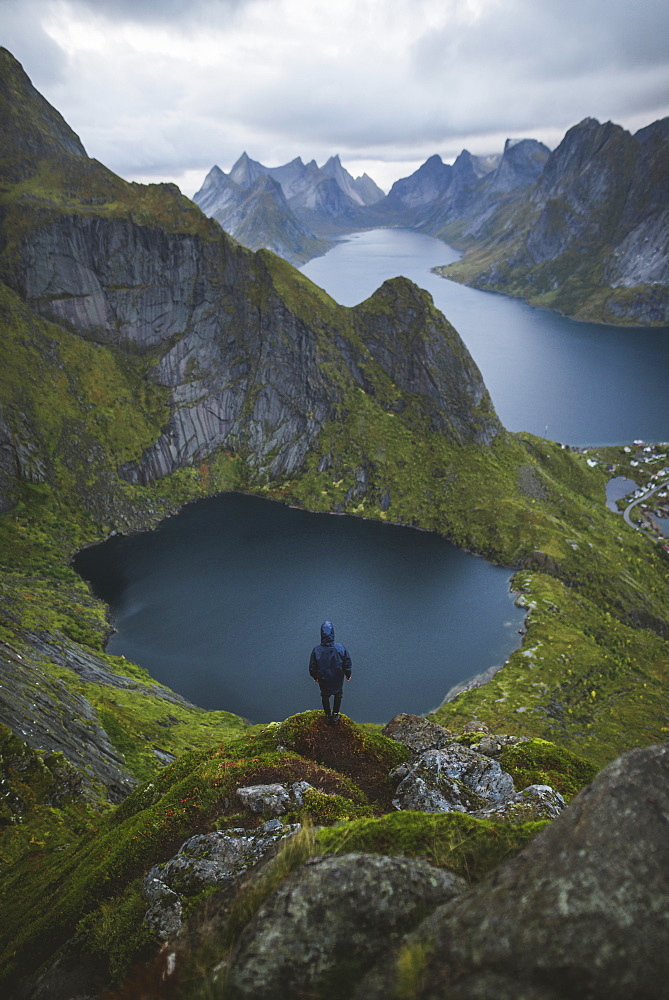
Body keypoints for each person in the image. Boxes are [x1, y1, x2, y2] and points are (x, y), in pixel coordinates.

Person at [309, 620, 351, 724]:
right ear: (333, 633)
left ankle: (327, 715)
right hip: (337, 677)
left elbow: (312, 666)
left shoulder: (317, 650)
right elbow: (347, 662)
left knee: (325, 695)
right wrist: (348, 674)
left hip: (323, 678)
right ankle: (336, 714)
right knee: (338, 694)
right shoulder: (340, 648)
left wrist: (314, 676)